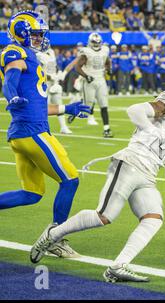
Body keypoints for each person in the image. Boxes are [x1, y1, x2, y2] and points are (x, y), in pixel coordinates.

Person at [30, 71, 165, 282]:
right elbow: (135, 110)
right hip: (131, 162)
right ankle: (53, 234)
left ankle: (118, 266)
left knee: (153, 218)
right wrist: (151, 129)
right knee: (104, 216)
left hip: (149, 173)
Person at [0, 11, 92, 258]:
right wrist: (11, 96)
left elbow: (38, 104)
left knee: (31, 194)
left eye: (41, 34)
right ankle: (54, 239)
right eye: (36, 33)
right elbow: (10, 78)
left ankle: (54, 238)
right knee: (70, 180)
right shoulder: (15, 52)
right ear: (21, 33)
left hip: (23, 132)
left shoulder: (29, 55)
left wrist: (67, 108)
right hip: (32, 131)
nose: (40, 38)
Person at [75, 33, 113, 138]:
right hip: (90, 81)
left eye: (97, 42)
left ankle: (106, 129)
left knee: (104, 104)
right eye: (94, 42)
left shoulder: (105, 50)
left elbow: (107, 61)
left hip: (101, 79)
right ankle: (74, 113)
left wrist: (109, 70)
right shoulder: (86, 52)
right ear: (89, 42)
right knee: (88, 105)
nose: (96, 44)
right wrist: (86, 76)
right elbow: (77, 67)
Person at [36, 47, 72, 134]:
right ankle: (41, 128)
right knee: (44, 107)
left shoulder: (51, 51)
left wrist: (59, 72)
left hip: (54, 83)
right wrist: (49, 76)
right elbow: (37, 70)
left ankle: (63, 127)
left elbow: (54, 64)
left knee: (59, 105)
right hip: (44, 84)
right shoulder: (37, 54)